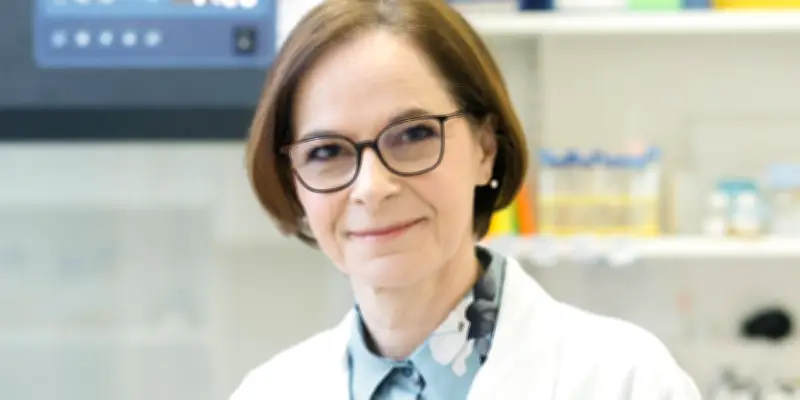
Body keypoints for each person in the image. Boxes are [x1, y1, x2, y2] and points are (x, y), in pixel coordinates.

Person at [231, 0, 701, 399]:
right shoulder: (268, 392)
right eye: (326, 152)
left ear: (485, 149)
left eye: (413, 134)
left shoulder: (626, 382)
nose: (372, 187)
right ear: (293, 182)